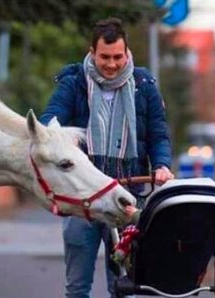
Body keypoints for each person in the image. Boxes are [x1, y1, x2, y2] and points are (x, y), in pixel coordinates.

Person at [39, 17, 174, 298]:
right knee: (77, 287)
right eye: (104, 57)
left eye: (117, 57)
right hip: (83, 199)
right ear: (92, 52)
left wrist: (161, 165)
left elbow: (158, 135)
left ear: (126, 53)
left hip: (127, 197)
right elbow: (50, 120)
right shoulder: (74, 82)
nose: (111, 64)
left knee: (124, 285)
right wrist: (52, 132)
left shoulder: (143, 85)